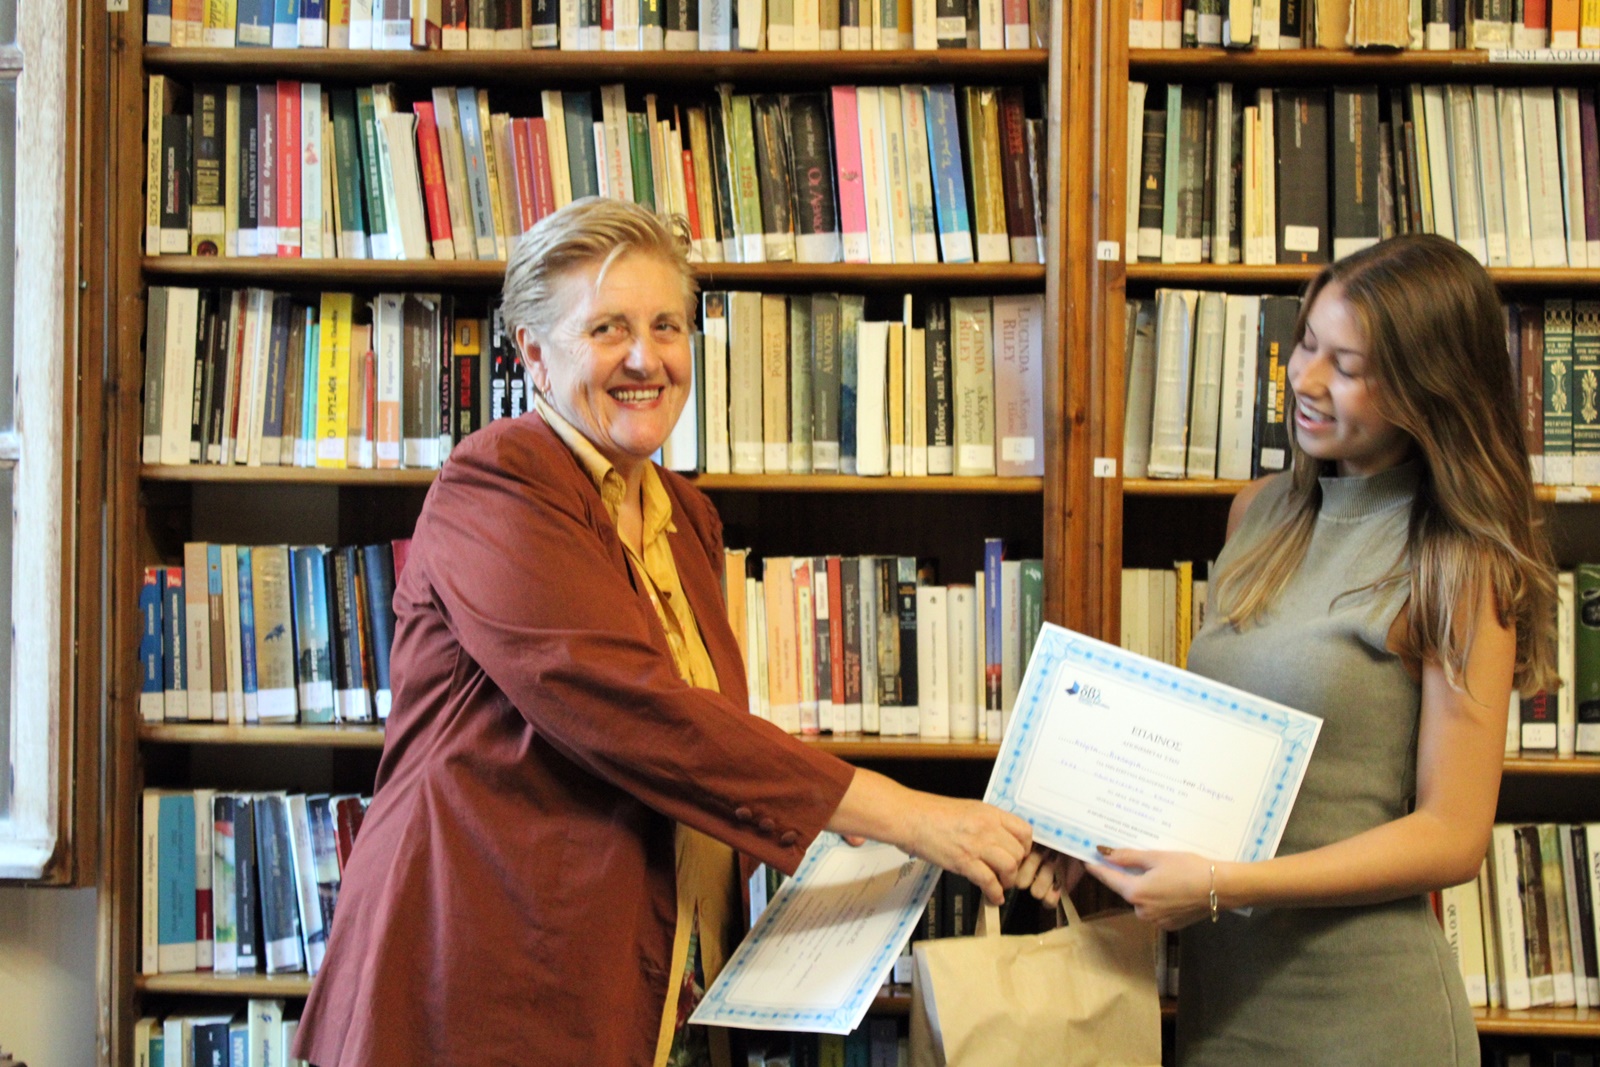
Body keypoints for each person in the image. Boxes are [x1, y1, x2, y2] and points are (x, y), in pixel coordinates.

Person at [294, 198, 1033, 1067]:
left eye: (666, 325)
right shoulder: (496, 483)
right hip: (491, 984)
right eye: (607, 328)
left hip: (655, 981)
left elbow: (709, 742)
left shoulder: (685, 516)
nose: (646, 358)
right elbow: (638, 716)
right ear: (534, 353)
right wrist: (911, 816)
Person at [1017, 233, 1556, 1065]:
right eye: (1307, 343)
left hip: (1365, 1017)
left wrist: (1223, 885)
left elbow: (1451, 835)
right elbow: (1221, 759)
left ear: (1429, 386)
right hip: (1223, 1004)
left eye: (1348, 366)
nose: (1304, 379)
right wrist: (1096, 830)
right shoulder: (1258, 513)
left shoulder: (1457, 562)